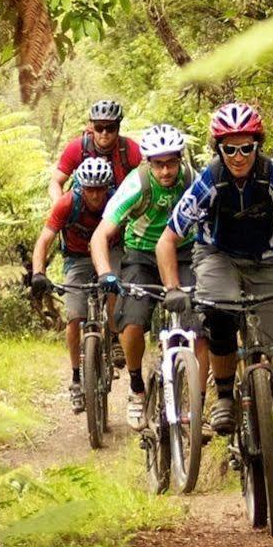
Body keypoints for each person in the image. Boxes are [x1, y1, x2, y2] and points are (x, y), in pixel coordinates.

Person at [156, 102, 273, 484]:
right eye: (230, 149)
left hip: (265, 262)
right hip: (217, 256)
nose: (238, 157)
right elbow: (167, 240)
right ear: (218, 149)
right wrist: (173, 288)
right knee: (219, 313)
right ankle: (224, 397)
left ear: (258, 146)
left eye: (246, 148)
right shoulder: (209, 180)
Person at [89, 123, 194, 430]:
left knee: (200, 318)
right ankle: (136, 387)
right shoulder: (136, 185)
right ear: (148, 162)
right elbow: (100, 235)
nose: (165, 171)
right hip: (142, 256)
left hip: (183, 252)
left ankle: (197, 396)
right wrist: (106, 272)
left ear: (180, 160)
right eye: (159, 164)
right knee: (132, 323)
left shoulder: (190, 179)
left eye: (171, 163)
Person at [29, 156, 120, 412]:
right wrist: (38, 273)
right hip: (77, 258)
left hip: (110, 251)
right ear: (81, 186)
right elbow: (43, 241)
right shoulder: (68, 203)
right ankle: (77, 378)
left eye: (100, 189)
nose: (95, 195)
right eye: (90, 189)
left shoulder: (116, 201)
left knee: (115, 284)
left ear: (108, 187)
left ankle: (113, 339)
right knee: (74, 317)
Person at [47, 99, 141, 204]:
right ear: (92, 127)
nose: (104, 133)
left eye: (110, 128)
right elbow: (56, 182)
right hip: (83, 209)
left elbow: (150, 178)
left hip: (120, 207)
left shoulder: (129, 149)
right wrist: (59, 204)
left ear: (118, 127)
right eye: (99, 128)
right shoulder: (78, 148)